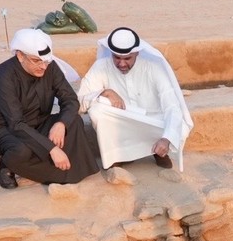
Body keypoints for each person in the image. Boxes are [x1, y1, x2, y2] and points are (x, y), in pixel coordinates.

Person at [0, 29, 99, 189]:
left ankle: (57, 167)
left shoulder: (49, 66)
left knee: (74, 121)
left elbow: (70, 99)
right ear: (20, 56)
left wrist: (60, 124)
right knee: (21, 150)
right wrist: (52, 149)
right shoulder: (3, 75)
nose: (43, 67)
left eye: (46, 62)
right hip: (6, 129)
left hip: (38, 122)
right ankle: (8, 164)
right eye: (36, 61)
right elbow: (16, 123)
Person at [78, 26, 193, 171]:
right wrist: (103, 92)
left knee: (178, 126)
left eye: (127, 58)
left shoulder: (153, 68)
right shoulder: (101, 67)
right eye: (117, 57)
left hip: (152, 123)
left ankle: (159, 151)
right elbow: (79, 102)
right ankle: (115, 156)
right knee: (96, 110)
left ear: (137, 53)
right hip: (123, 123)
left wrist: (167, 138)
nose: (121, 63)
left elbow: (172, 106)